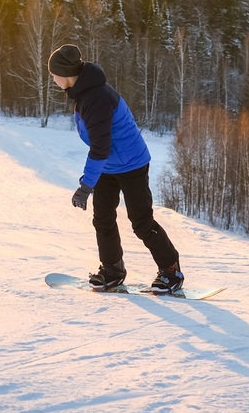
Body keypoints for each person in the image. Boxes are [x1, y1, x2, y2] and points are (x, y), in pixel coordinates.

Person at [49, 43, 184, 294]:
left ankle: (171, 271)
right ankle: (112, 269)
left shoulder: (95, 97)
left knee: (141, 221)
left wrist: (85, 186)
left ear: (66, 74)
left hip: (131, 164)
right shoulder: (84, 92)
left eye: (54, 74)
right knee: (102, 219)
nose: (53, 79)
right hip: (109, 166)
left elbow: (100, 148)